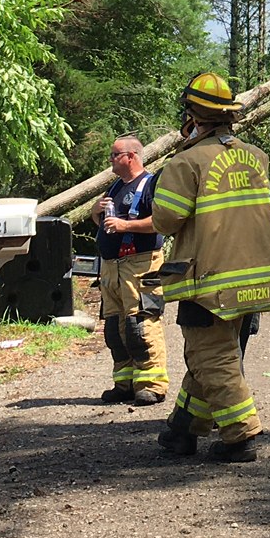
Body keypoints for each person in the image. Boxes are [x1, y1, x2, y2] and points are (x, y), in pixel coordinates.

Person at [149, 74, 270, 463]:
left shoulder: (187, 161)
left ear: (192, 114)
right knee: (207, 355)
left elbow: (166, 220)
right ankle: (182, 429)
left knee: (214, 358)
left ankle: (240, 436)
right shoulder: (256, 157)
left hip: (206, 280)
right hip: (252, 279)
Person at [92, 135, 168, 405]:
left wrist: (126, 227)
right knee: (115, 328)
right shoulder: (114, 187)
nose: (110, 160)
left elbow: (161, 221)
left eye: (114, 155)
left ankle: (152, 384)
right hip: (112, 268)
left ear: (130, 156)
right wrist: (95, 210)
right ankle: (124, 383)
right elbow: (99, 220)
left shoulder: (151, 184)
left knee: (141, 325)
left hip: (140, 265)